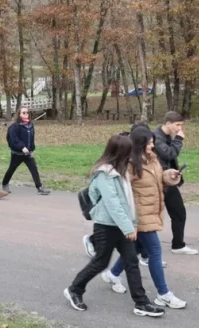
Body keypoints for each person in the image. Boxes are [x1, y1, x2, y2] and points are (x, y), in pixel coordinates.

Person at [63, 134, 165, 317]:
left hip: (123, 225)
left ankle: (141, 303)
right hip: (105, 226)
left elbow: (128, 202)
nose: (131, 156)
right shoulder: (104, 173)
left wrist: (133, 224)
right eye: (128, 152)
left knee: (132, 262)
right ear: (120, 153)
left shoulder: (123, 171)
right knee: (100, 262)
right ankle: (74, 289)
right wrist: (128, 227)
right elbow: (113, 204)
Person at [102, 127, 187, 309]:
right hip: (140, 216)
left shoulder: (152, 158)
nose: (152, 145)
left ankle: (112, 274)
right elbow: (122, 193)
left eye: (152, 142)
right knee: (155, 251)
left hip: (151, 211)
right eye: (149, 142)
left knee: (136, 249)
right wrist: (128, 221)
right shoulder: (130, 164)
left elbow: (155, 179)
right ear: (140, 144)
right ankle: (163, 294)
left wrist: (169, 175)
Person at [152, 112, 197, 255]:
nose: (179, 129)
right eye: (177, 125)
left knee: (179, 213)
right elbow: (169, 154)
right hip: (154, 182)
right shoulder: (156, 137)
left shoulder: (165, 136)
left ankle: (178, 245)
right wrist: (178, 140)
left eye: (181, 125)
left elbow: (168, 160)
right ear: (168, 123)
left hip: (166, 181)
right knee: (144, 218)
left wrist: (174, 172)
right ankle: (96, 241)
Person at [2, 107, 50, 195]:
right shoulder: (14, 126)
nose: (26, 114)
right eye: (23, 113)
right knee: (11, 169)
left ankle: (39, 187)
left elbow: (31, 139)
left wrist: (32, 148)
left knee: (34, 169)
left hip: (28, 154)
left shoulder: (30, 125)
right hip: (17, 153)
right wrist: (22, 147)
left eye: (27, 112)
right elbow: (13, 139)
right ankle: (5, 184)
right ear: (19, 114)